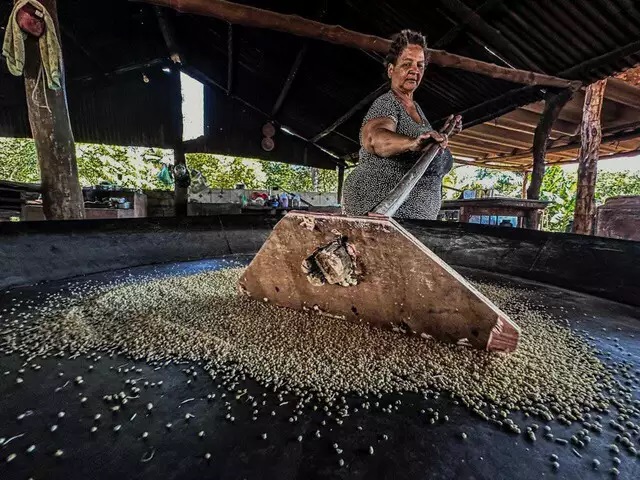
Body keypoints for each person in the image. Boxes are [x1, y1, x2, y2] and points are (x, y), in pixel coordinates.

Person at [342, 30, 461, 220]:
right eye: (407, 64)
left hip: (409, 221)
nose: (415, 70)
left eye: (420, 66)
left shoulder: (417, 109)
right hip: (379, 211)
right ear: (391, 70)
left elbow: (425, 147)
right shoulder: (387, 103)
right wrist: (411, 143)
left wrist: (446, 133)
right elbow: (374, 138)